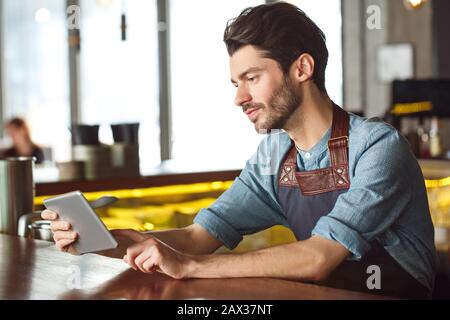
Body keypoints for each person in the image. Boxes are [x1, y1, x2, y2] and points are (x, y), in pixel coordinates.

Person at [42, 2, 438, 299]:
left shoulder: (377, 147)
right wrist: (108, 240)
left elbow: (318, 258)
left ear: (301, 69)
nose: (240, 97)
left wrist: (190, 267)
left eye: (252, 77)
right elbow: (198, 236)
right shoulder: (273, 157)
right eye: (236, 82)